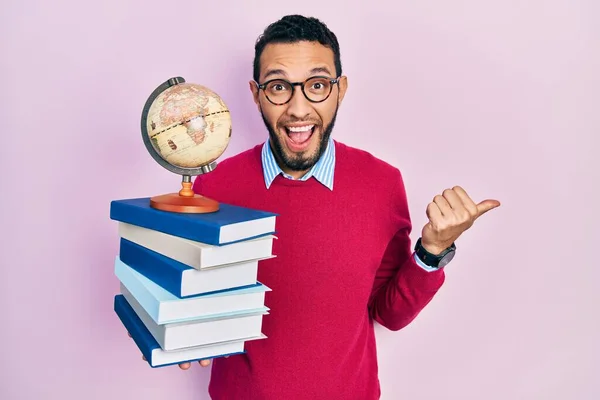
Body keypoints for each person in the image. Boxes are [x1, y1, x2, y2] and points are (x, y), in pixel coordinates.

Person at [184, 14, 499, 399]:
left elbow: (388, 313)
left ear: (340, 90)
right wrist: (180, 325)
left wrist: (432, 251)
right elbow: (192, 295)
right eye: (279, 87)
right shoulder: (213, 186)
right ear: (256, 93)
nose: (298, 109)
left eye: (317, 85)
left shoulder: (382, 184)